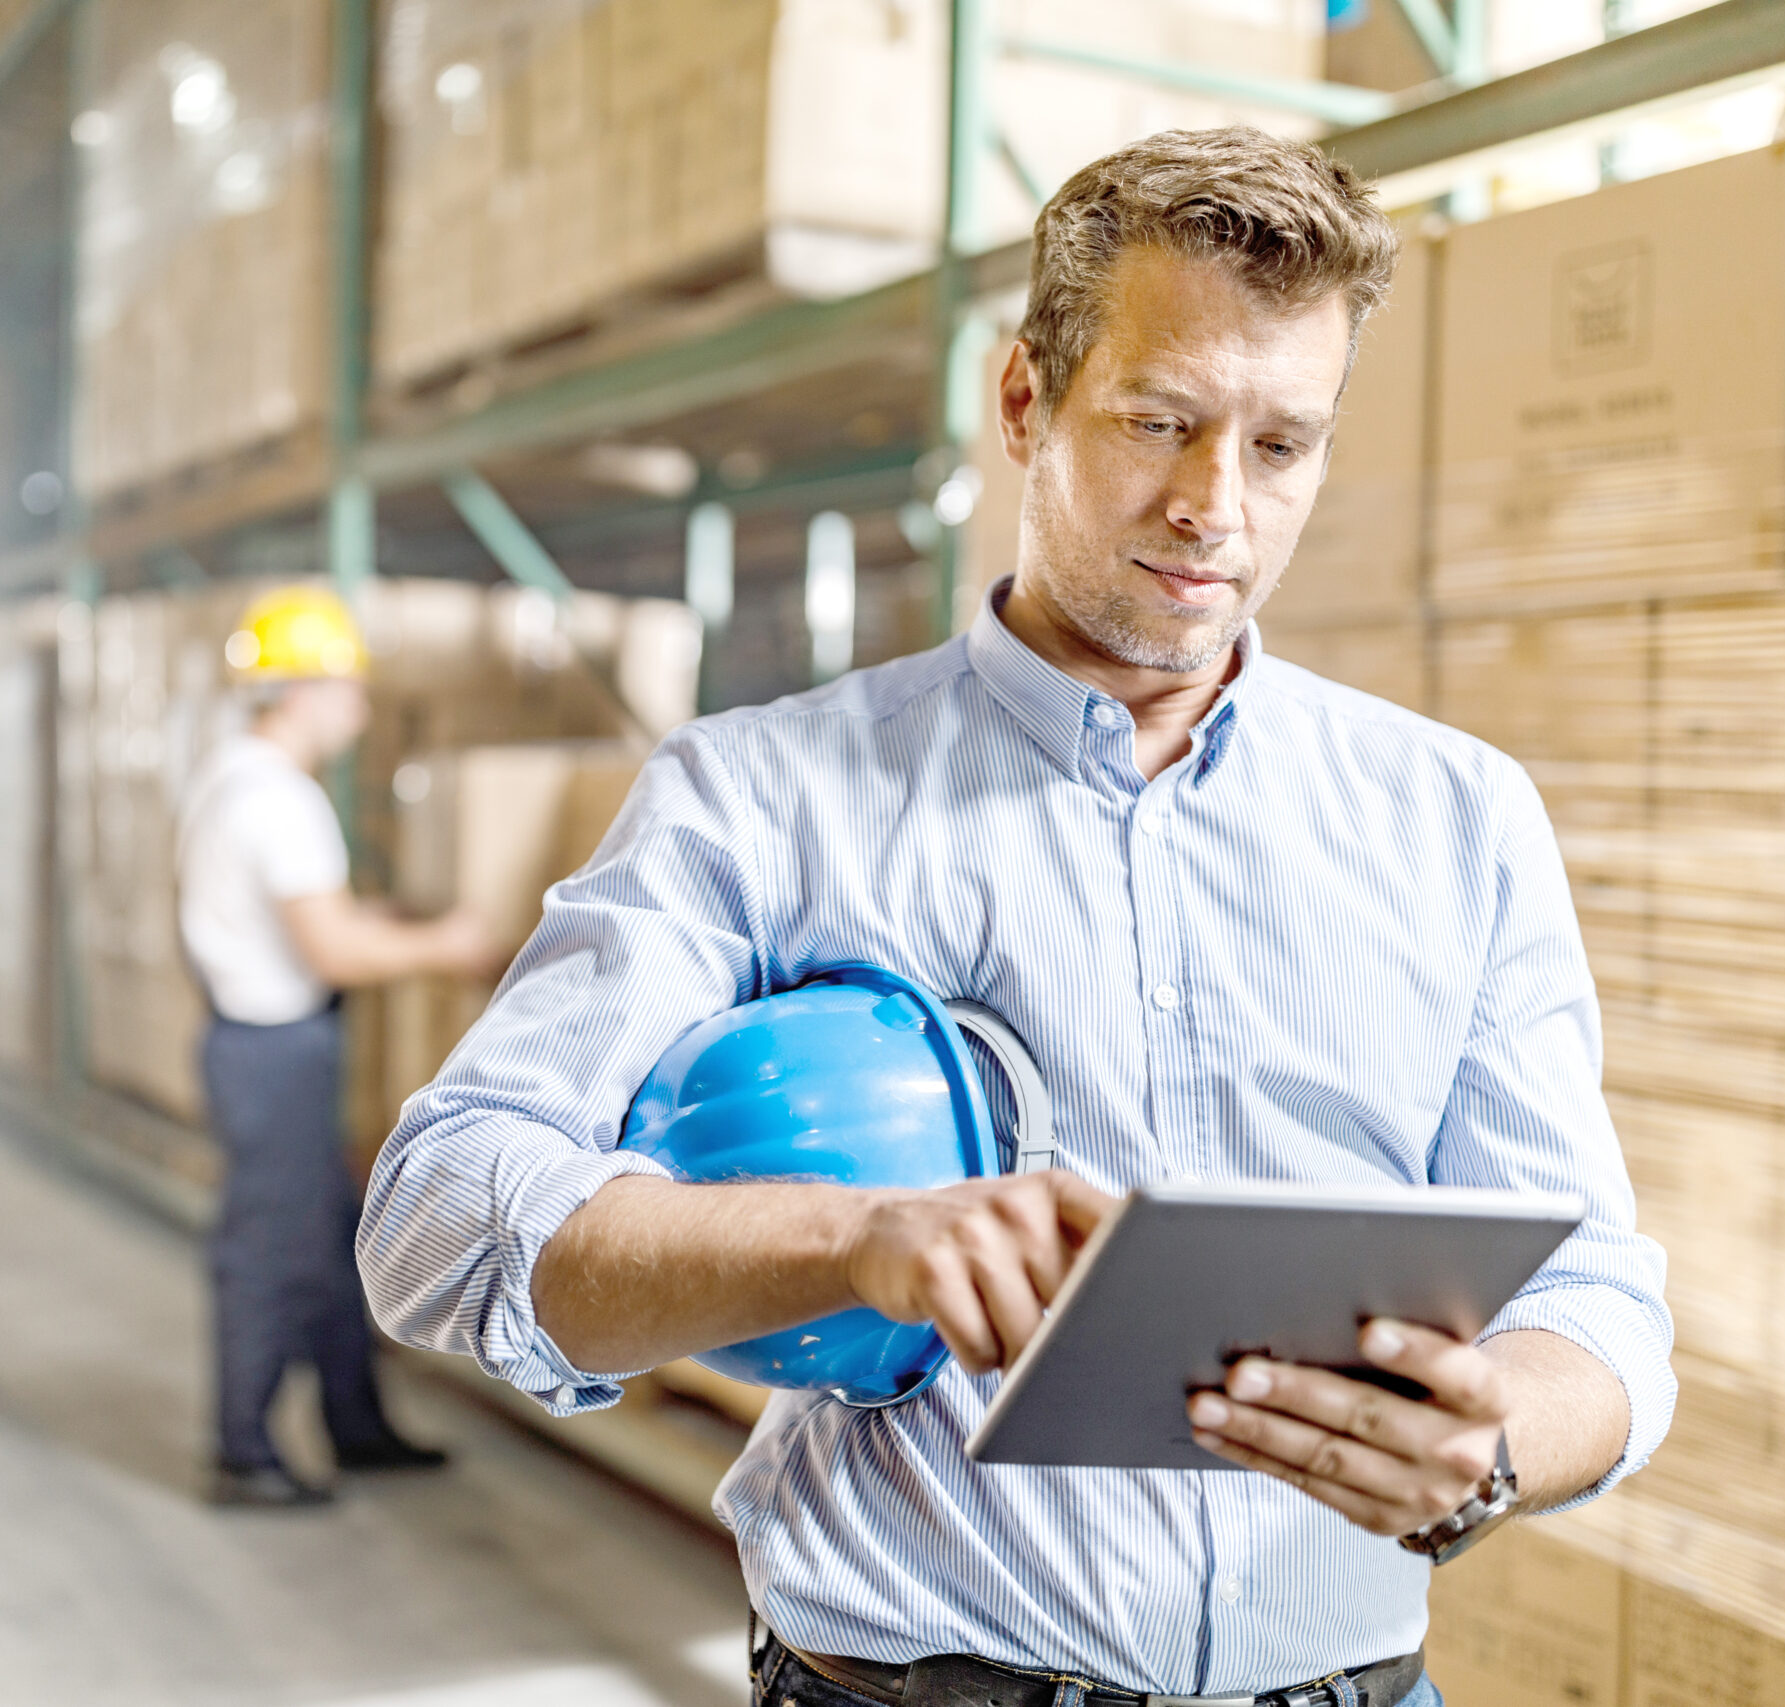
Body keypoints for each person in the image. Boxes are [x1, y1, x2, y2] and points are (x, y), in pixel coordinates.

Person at [359, 129, 1675, 1705]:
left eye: (1281, 445)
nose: (1213, 507)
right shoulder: (766, 797)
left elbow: (1596, 1295)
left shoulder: (1458, 818)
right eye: (1161, 420)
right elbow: (436, 1210)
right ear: (1024, 400)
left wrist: (1493, 1437)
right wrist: (850, 1238)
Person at [179, 585, 504, 1509]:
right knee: (270, 1251)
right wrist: (448, 945)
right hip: (274, 1050)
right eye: (348, 683)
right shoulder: (279, 799)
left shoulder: (230, 775)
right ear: (301, 690)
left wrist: (390, 917)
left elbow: (310, 919)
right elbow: (331, 948)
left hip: (254, 1039)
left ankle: (356, 1427)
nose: (360, 704)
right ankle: (242, 1452)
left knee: (327, 1243)